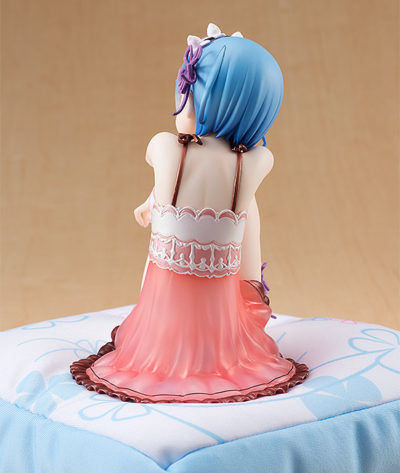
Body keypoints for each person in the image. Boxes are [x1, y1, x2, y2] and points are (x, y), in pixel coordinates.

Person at [70, 23, 308, 403]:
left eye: (185, 92)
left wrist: (156, 202)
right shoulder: (255, 163)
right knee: (244, 211)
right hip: (220, 329)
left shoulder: (164, 147)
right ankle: (246, 303)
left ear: (199, 97)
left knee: (220, 224)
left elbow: (170, 172)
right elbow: (231, 222)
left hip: (158, 325)